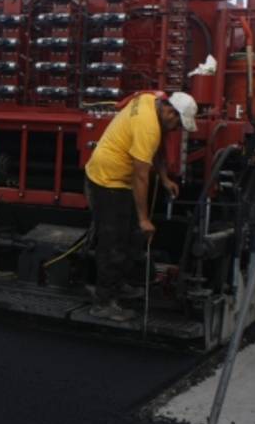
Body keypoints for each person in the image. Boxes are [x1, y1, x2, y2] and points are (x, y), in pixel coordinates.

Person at [83, 91, 197, 321]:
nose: (177, 129)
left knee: (131, 236)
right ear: (170, 111)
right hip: (107, 180)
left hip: (118, 179)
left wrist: (164, 179)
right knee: (113, 242)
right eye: (177, 123)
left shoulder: (150, 101)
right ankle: (103, 302)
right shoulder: (148, 127)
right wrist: (144, 219)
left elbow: (160, 147)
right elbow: (141, 176)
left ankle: (119, 285)